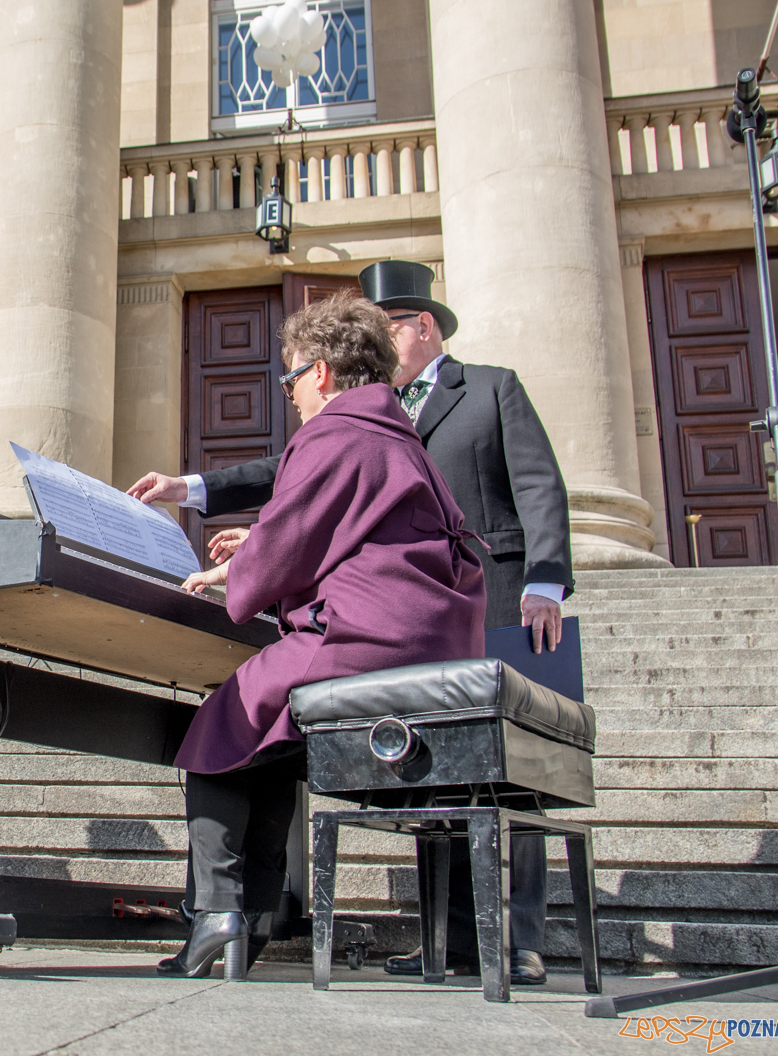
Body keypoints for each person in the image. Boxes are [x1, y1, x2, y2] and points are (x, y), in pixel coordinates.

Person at [130, 260, 574, 985]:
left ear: (327, 372)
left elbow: (284, 551)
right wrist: (261, 554)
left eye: (292, 378)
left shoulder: (334, 431)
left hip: (367, 646)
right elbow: (361, 535)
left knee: (221, 717)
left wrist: (238, 577)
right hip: (433, 650)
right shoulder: (399, 435)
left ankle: (217, 915)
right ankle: (254, 919)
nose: (291, 395)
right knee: (266, 738)